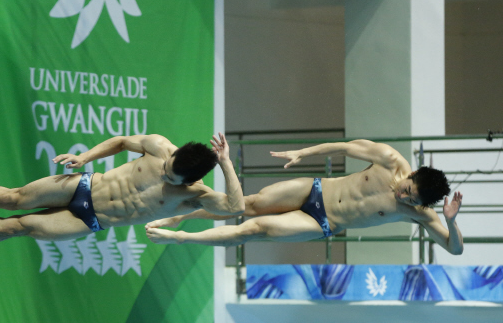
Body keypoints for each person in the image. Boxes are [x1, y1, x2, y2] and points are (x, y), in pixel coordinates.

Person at [0, 133, 244, 241]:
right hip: (80, 186)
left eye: (172, 179)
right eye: (167, 168)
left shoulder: (196, 195)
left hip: (89, 221)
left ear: (193, 181)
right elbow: (124, 141)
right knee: (12, 197)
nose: (165, 175)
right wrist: (85, 157)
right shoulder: (158, 146)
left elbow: (236, 208)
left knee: (17, 227)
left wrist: (226, 162)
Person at [146, 139, 464, 255]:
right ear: (411, 175)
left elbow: (455, 250)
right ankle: (181, 215)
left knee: (250, 231)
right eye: (406, 190)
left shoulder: (420, 212)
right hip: (315, 189)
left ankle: (180, 238)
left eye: (409, 200)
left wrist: (452, 222)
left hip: (321, 222)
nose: (402, 197)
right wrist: (303, 152)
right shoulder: (389, 159)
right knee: (249, 205)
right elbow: (345, 146)